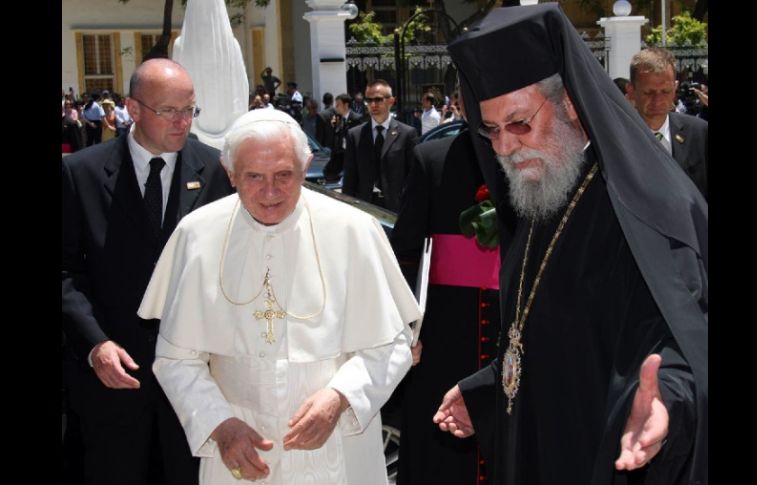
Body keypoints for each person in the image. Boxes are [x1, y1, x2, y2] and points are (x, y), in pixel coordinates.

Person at [432, 5, 707, 485]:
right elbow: (553, 331)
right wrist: (491, 388)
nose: (503, 148)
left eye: (519, 124)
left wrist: (665, 400)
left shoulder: (642, 205)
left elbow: (679, 336)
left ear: (572, 106)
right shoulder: (542, 192)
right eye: (490, 130)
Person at [137, 108, 421, 484]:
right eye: (254, 176)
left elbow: (392, 345)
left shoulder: (355, 231)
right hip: (241, 448)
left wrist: (340, 397)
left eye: (284, 176)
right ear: (231, 173)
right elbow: (175, 361)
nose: (270, 192)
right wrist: (219, 424)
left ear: (305, 168)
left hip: (338, 444)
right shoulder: (197, 235)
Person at [62, 58, 233, 485]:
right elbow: (65, 273)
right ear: (133, 110)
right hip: (113, 385)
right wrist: (96, 344)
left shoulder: (216, 171)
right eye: (169, 111)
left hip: (197, 384)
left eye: (189, 110)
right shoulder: (79, 172)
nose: (182, 122)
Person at [391, 115, 501, 485]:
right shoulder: (431, 158)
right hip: (445, 338)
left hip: (513, 332)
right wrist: (405, 329)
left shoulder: (537, 160)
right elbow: (405, 253)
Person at [627, 47, 708, 199]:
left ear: (675, 88)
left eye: (665, 92)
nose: (657, 101)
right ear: (631, 91)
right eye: (648, 92)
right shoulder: (615, 137)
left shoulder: (699, 133)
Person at [342, 79, 419, 211]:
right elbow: (350, 179)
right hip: (365, 207)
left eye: (378, 100)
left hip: (396, 208)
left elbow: (413, 178)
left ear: (391, 101)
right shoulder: (355, 135)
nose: (373, 104)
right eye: (369, 100)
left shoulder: (407, 134)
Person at [323, 93, 363, 182]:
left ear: (346, 105)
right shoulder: (336, 118)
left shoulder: (356, 119)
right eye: (335, 105)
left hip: (351, 155)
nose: (336, 107)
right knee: (327, 173)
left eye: (338, 105)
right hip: (339, 154)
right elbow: (333, 133)